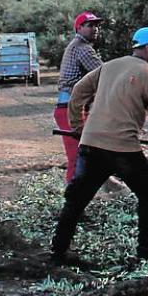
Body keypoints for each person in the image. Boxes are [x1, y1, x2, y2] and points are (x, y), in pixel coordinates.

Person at [50, 26, 148, 268]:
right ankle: (145, 254)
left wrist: (77, 126)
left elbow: (77, 92)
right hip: (122, 148)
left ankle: (58, 252)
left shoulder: (109, 66)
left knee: (76, 199)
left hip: (91, 144)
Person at [54, 12, 106, 184]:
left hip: (71, 106)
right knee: (78, 157)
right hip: (71, 109)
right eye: (90, 25)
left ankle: (105, 186)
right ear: (79, 28)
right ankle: (72, 202)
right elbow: (105, 74)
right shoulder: (83, 49)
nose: (95, 29)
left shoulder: (76, 46)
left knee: (91, 151)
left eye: (96, 25)